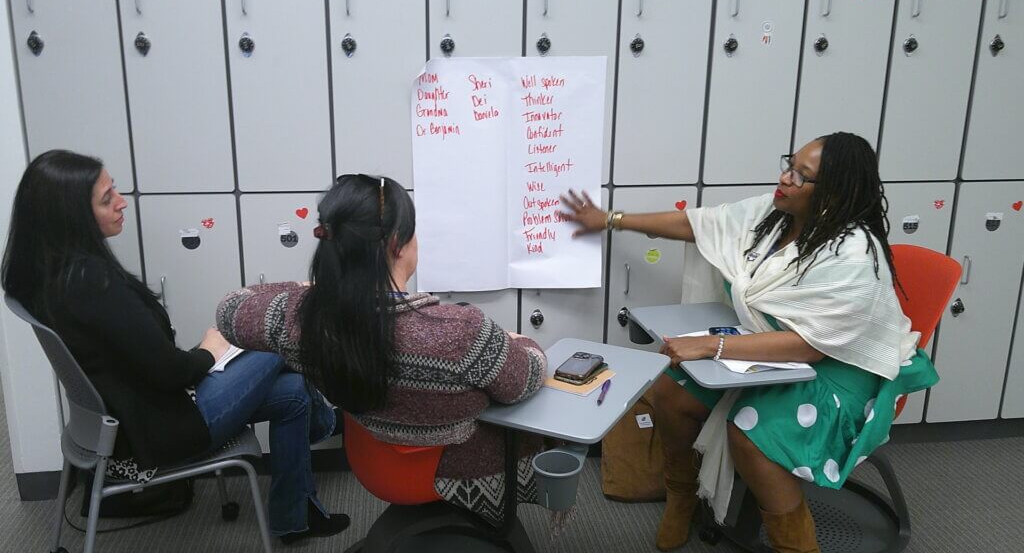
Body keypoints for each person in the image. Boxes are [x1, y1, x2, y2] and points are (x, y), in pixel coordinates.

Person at [559, 132, 938, 552]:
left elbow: (810, 346)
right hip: (772, 343)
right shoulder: (774, 212)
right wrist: (610, 219)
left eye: (801, 175)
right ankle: (681, 496)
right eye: (789, 164)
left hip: (842, 370)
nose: (785, 177)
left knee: (752, 434)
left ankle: (796, 545)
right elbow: (700, 224)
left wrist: (709, 346)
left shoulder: (852, 257)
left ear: (831, 193)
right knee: (670, 395)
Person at [1, 150, 349, 545]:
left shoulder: (48, 276)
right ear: (70, 217)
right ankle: (331, 422)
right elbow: (170, 371)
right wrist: (209, 349)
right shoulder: (91, 284)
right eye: (106, 198)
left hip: (135, 418)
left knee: (292, 395)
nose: (120, 201)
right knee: (277, 338)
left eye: (113, 189)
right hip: (162, 428)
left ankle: (295, 515)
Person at [215, 174, 549, 525]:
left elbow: (231, 309)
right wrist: (517, 340)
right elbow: (525, 378)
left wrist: (319, 288)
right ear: (397, 243)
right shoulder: (462, 333)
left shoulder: (304, 321)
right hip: (462, 472)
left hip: (374, 466)